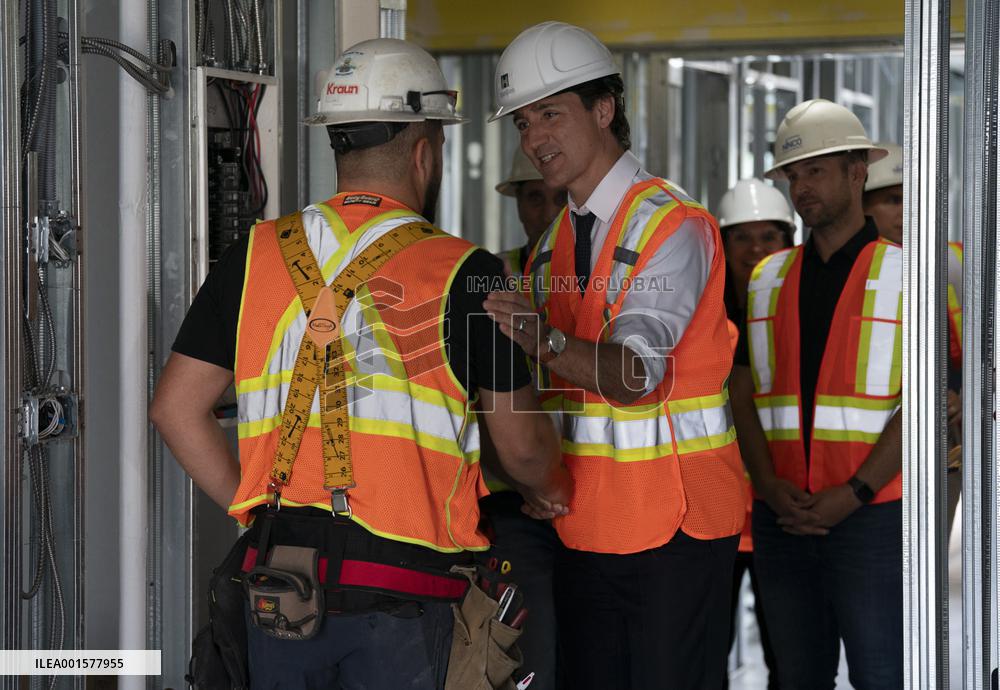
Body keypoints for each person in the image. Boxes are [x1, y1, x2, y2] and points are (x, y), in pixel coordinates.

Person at [150, 37, 570, 689]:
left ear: (336, 142)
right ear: (426, 150)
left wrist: (257, 512)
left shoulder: (254, 255)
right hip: (407, 592)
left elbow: (175, 410)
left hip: (281, 585)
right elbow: (522, 451)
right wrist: (550, 488)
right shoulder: (467, 271)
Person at [484, 21, 746, 690]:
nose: (534, 138)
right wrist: (535, 478)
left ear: (604, 110)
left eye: (551, 113)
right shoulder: (553, 244)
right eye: (522, 122)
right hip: (583, 524)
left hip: (676, 528)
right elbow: (552, 398)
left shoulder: (670, 224)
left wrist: (539, 337)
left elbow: (633, 375)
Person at [729, 98, 903, 689]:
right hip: (783, 514)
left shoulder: (907, 275)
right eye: (793, 174)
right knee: (797, 678)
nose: (801, 187)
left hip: (873, 515)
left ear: (857, 172)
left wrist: (855, 492)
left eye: (816, 171)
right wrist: (768, 486)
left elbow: (924, 404)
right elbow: (744, 389)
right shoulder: (767, 278)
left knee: (882, 676)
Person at [476, 147, 567, 690]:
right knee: (532, 656)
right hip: (515, 501)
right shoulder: (490, 278)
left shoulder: (601, 276)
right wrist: (528, 482)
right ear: (516, 204)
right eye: (535, 198)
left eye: (560, 198)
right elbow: (473, 403)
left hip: (587, 491)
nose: (548, 211)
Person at [716, 178, 794, 690]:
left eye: (769, 236)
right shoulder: (701, 318)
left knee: (789, 659)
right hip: (718, 515)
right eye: (741, 237)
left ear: (789, 241)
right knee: (706, 659)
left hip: (779, 511)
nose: (755, 248)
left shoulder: (801, 314)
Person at [864, 142, 963, 529]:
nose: (907, 210)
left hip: (946, 450)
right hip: (870, 456)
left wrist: (968, 399)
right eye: (893, 200)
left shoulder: (959, 265)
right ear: (862, 205)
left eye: (913, 197)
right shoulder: (849, 274)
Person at [496, 147, 567, 276]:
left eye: (562, 198)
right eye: (536, 199)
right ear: (519, 202)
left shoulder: (600, 268)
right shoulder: (491, 272)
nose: (549, 216)